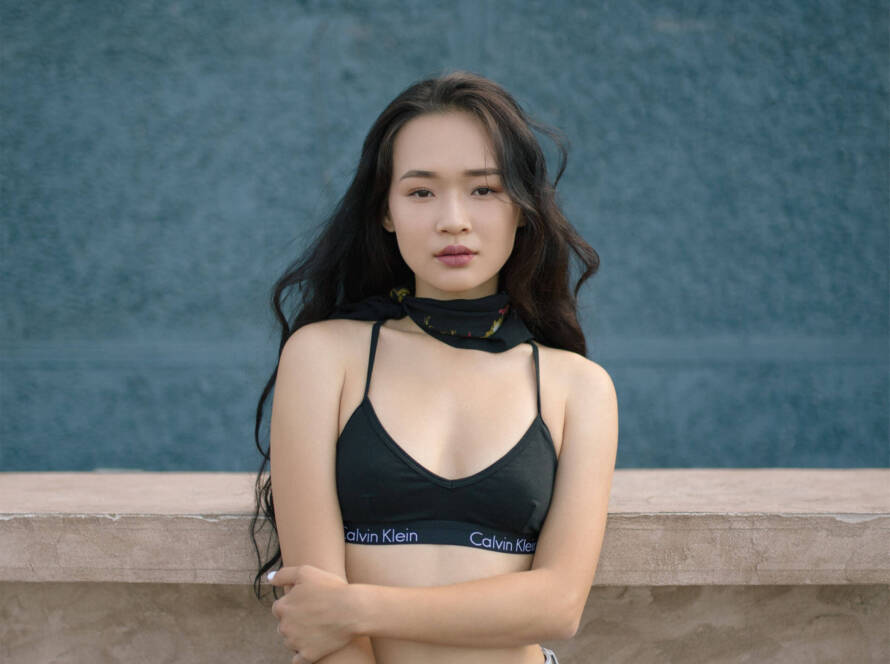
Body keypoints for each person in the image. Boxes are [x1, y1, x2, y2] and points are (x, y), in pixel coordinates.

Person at [249, 70, 618, 664]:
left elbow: (557, 606)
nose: (453, 220)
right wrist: (343, 614)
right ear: (386, 212)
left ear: (524, 209)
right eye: (421, 192)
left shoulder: (577, 387)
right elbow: (320, 620)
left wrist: (359, 605)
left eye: (484, 190)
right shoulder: (325, 357)